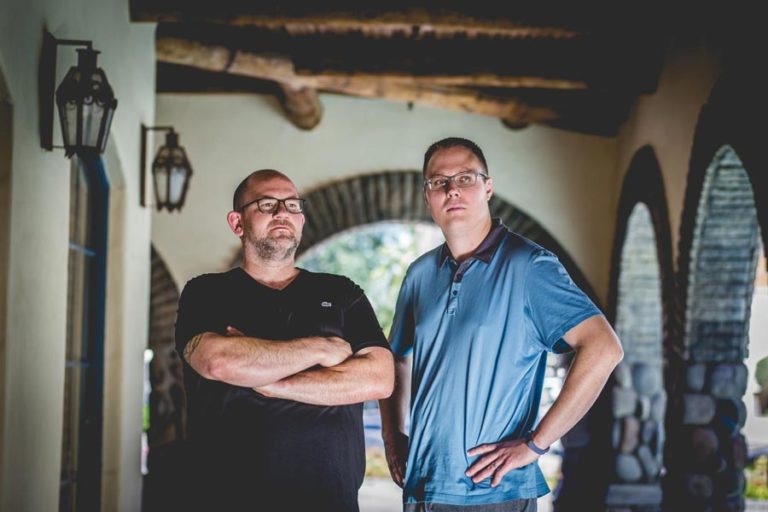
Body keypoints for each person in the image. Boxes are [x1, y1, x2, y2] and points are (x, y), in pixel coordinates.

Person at [379, 138, 624, 511]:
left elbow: (604, 347)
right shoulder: (420, 275)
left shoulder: (530, 266)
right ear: (427, 196)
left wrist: (536, 442)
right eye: (438, 182)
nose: (452, 190)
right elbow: (396, 359)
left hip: (493, 491)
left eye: (465, 178)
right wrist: (393, 439)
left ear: (488, 188)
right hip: (424, 486)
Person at [175, 169, 394, 511]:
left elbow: (379, 378)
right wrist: (322, 348)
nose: (282, 212)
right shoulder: (206, 292)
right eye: (267, 204)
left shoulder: (341, 292)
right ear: (237, 222)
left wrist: (269, 382)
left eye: (292, 205)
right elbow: (218, 361)